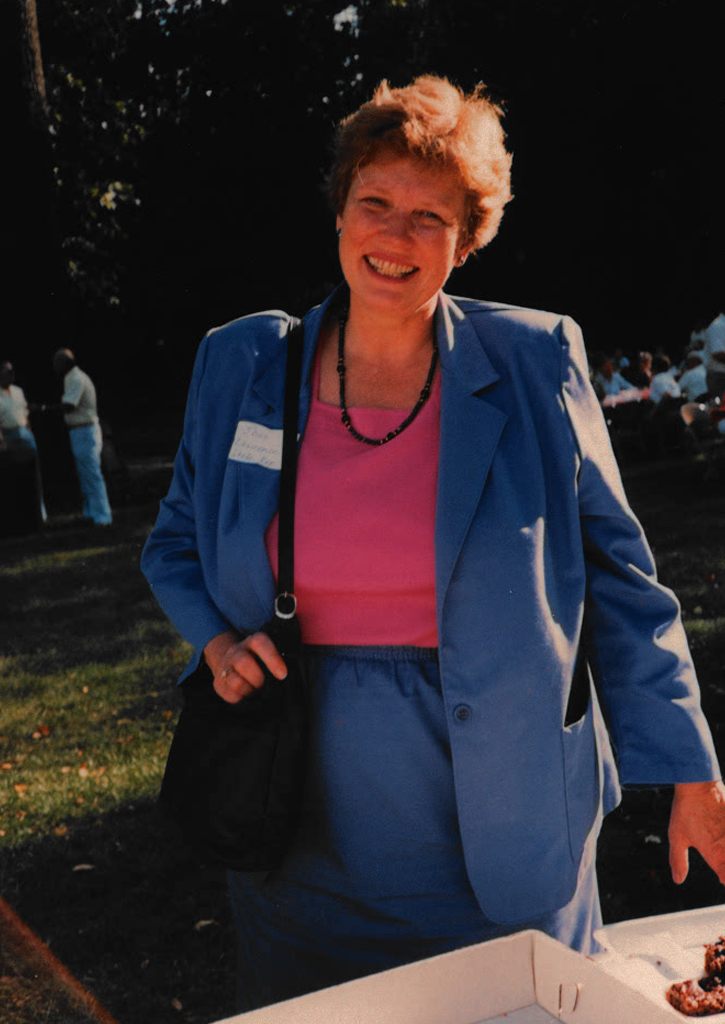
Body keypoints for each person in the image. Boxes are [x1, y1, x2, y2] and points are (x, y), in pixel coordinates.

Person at [141, 76, 725, 1012]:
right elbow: (174, 540)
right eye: (374, 202)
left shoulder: (534, 361)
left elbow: (621, 580)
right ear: (339, 209)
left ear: (468, 239)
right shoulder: (241, 362)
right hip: (300, 799)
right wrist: (215, 640)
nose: (395, 235)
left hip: (511, 796)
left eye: (430, 217)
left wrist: (689, 766)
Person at [52, 348, 112, 526]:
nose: (54, 366)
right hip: (79, 431)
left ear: (64, 363)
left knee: (92, 473)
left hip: (85, 430)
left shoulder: (76, 378)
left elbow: (69, 405)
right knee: (85, 474)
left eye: (56, 362)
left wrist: (45, 409)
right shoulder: (70, 378)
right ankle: (91, 512)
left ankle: (103, 515)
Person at [0, 360, 46, 531]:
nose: (10, 375)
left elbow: (25, 413)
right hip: (8, 435)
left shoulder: (18, 391)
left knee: (34, 472)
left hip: (25, 433)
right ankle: (21, 516)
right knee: (15, 475)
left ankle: (40, 512)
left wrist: (28, 430)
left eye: (11, 372)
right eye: (6, 372)